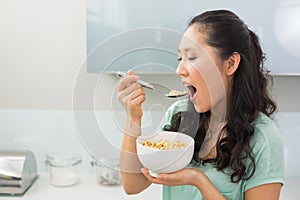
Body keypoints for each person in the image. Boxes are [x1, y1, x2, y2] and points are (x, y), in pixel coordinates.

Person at [116, 9, 284, 200]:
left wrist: (199, 180)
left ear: (230, 64)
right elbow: (133, 185)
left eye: (192, 57)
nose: (179, 70)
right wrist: (133, 117)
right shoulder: (178, 115)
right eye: (180, 58)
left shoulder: (263, 138)